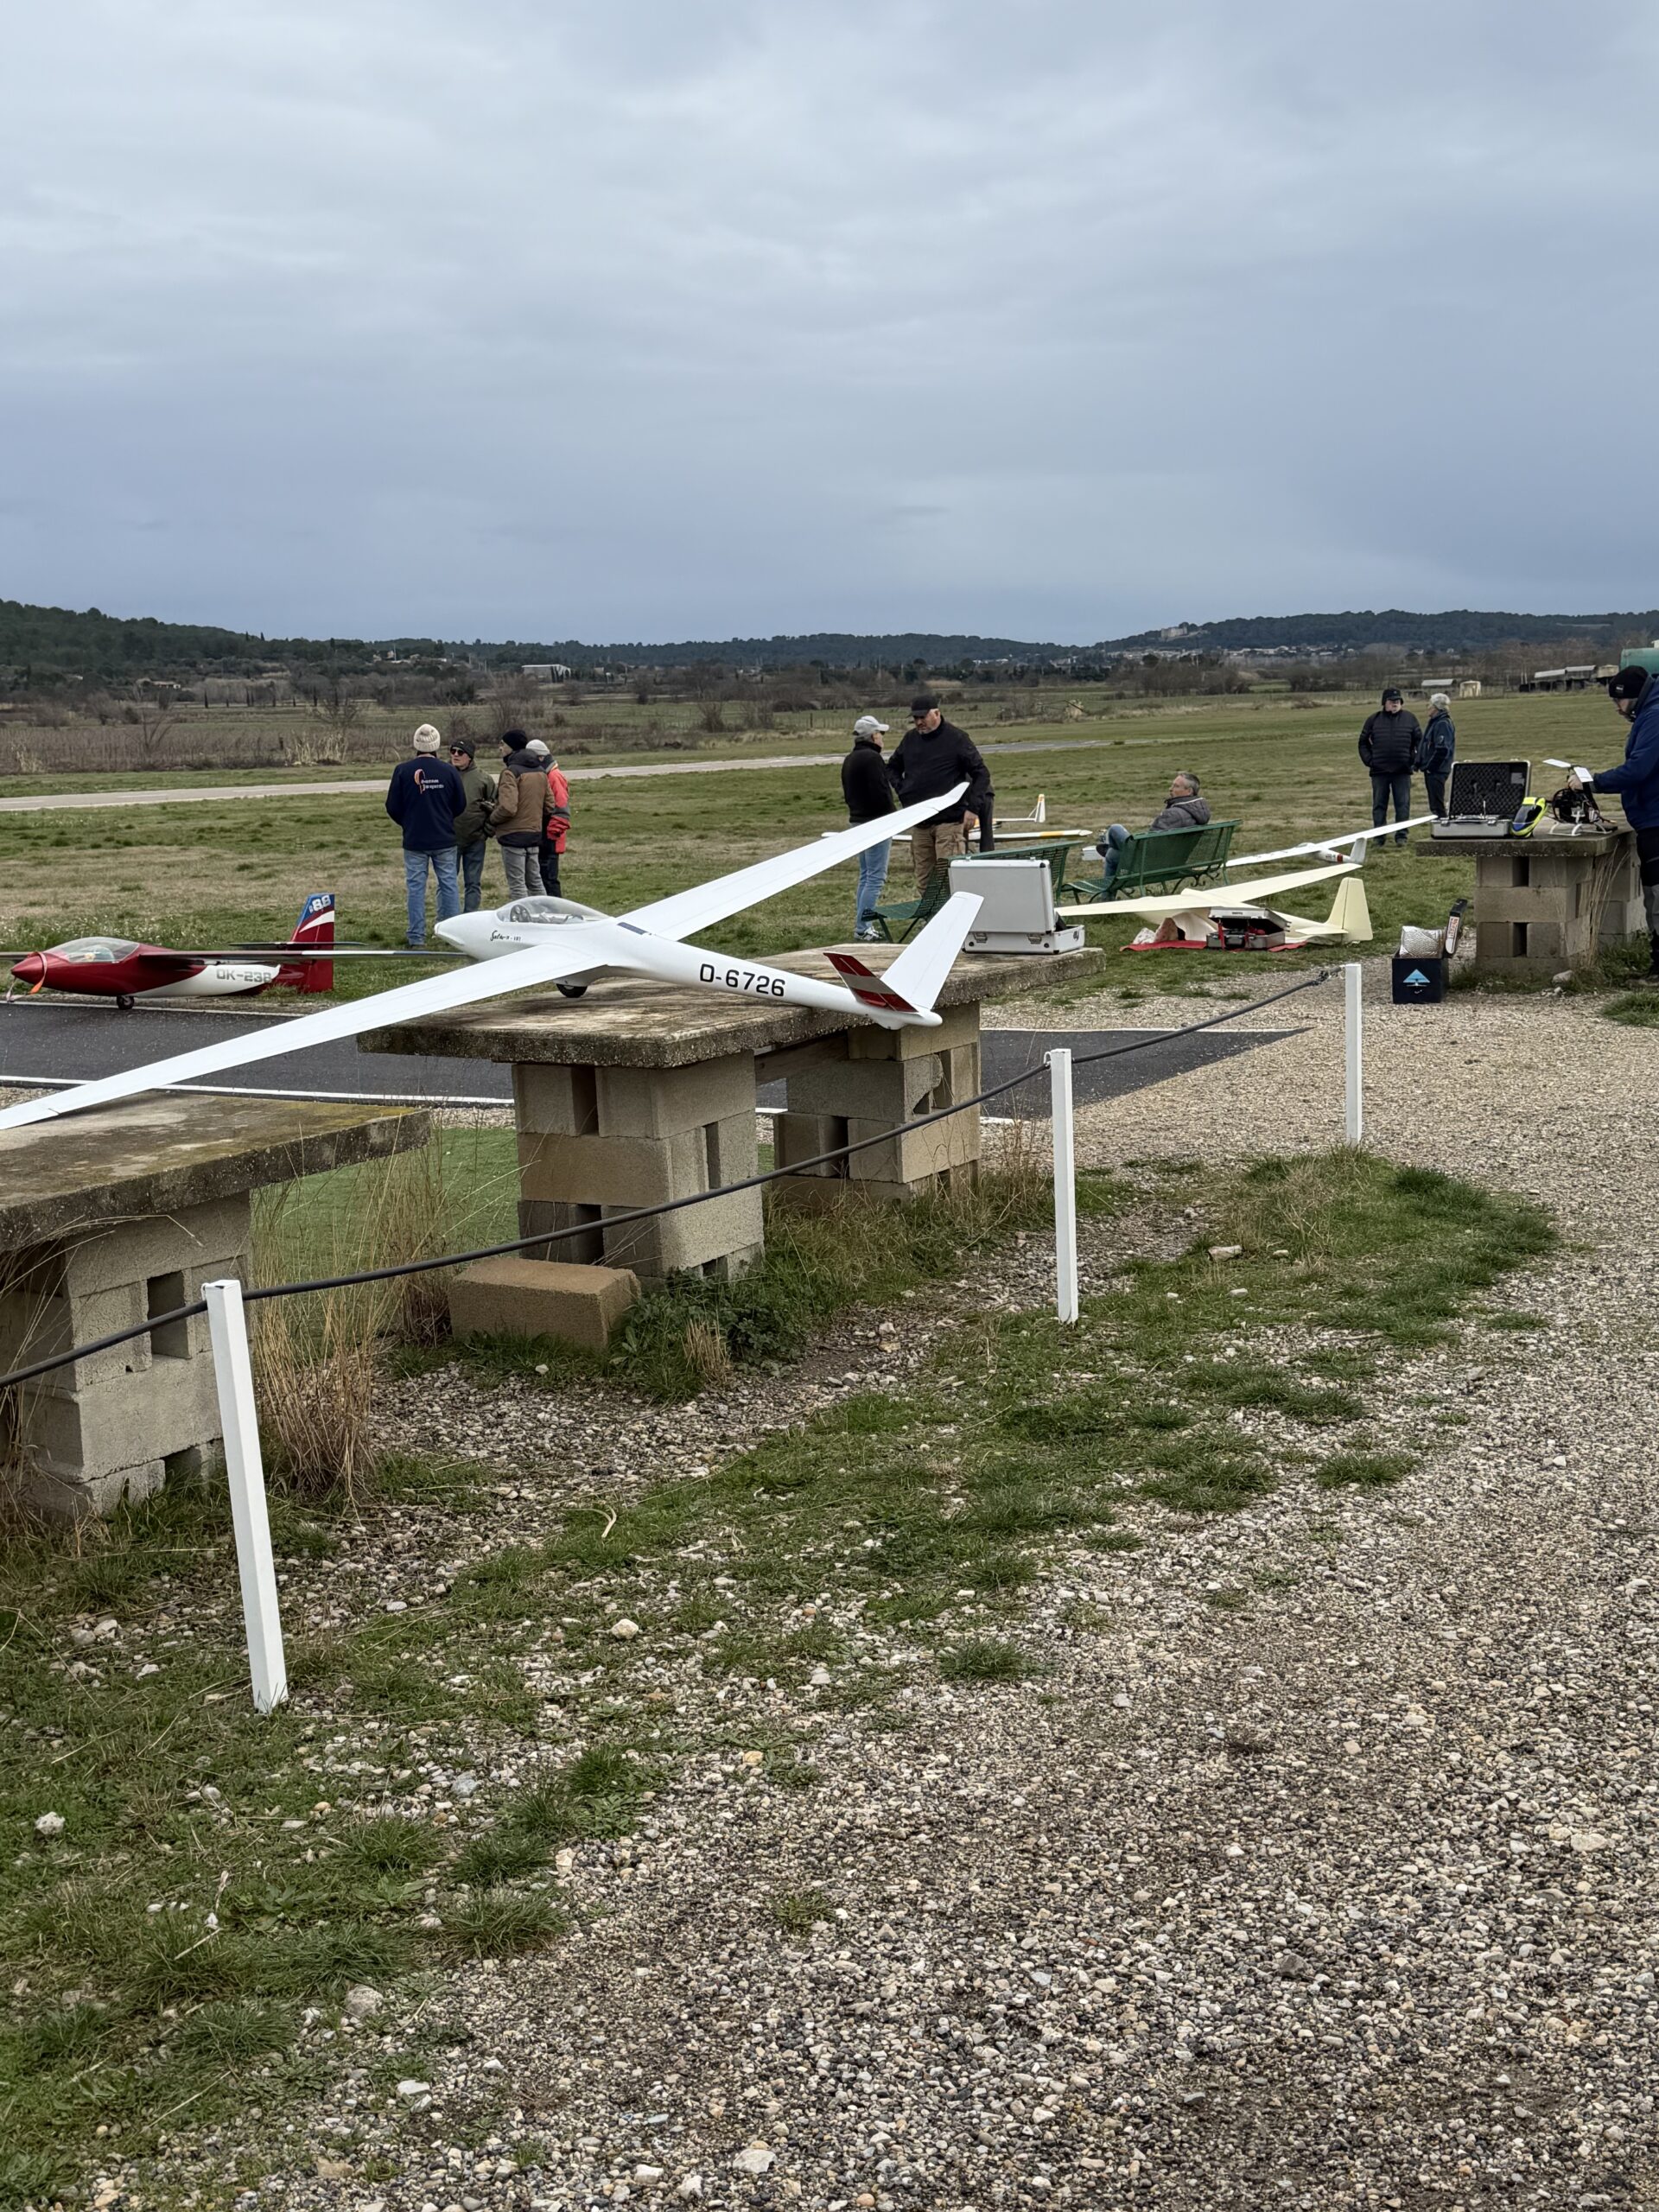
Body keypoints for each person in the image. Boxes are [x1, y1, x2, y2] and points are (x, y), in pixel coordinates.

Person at [1573, 665, 1659, 984]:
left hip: (1656, 820)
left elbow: (1638, 769)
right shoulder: (1650, 713)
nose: (1617, 708)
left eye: (1618, 701)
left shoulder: (1654, 717)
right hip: (1650, 819)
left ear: (1633, 697)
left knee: (1658, 896)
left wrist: (1593, 782)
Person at [886, 694, 990, 890]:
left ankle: (954, 910)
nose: (919, 722)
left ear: (936, 713)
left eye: (923, 717)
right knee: (924, 882)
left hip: (949, 822)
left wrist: (973, 809)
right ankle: (932, 910)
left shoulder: (957, 738)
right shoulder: (910, 739)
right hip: (919, 822)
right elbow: (892, 768)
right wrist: (903, 790)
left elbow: (981, 774)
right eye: (915, 718)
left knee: (949, 878)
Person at [385, 723, 465, 945]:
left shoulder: (402, 771)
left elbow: (392, 806)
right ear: (437, 744)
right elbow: (460, 804)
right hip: (444, 838)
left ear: (416, 744)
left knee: (415, 888)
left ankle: (416, 936)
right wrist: (445, 819)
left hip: (415, 840)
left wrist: (408, 823)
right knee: (449, 885)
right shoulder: (449, 771)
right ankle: (454, 935)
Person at [1096, 771, 1210, 887]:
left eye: (1176, 786)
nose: (1170, 789)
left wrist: (1137, 844)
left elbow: (1152, 846)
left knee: (1115, 828)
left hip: (1152, 864)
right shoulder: (1198, 813)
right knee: (1112, 855)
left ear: (1189, 791)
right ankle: (1111, 853)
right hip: (1176, 863)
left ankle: (1110, 849)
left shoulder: (1174, 814)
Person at [841, 713, 895, 938]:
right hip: (876, 823)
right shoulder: (873, 759)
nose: (882, 738)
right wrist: (892, 817)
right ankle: (863, 928)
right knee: (875, 877)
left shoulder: (850, 759)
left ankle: (862, 925)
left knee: (865, 875)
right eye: (880, 734)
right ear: (873, 736)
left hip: (857, 821)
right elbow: (881, 792)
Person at [489, 729, 551, 900]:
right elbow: (550, 805)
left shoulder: (510, 772)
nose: (500, 748)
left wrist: (492, 817)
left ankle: (523, 917)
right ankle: (543, 913)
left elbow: (508, 808)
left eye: (503, 744)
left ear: (511, 747)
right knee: (536, 882)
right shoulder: (541, 771)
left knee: (517, 885)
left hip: (513, 836)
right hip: (534, 834)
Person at [1358, 686, 1422, 847]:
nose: (1395, 703)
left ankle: (1401, 836)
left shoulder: (1410, 719)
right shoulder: (1373, 720)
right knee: (1379, 805)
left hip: (1402, 771)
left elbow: (1420, 742)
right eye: (1392, 701)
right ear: (1384, 702)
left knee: (1403, 805)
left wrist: (1413, 760)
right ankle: (1379, 837)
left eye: (1398, 701)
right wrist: (1370, 761)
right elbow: (1363, 742)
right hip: (1379, 771)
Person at [448, 735, 498, 912]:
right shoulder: (445, 775)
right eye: (453, 751)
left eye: (460, 752)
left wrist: (486, 832)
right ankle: (448, 919)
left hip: (475, 840)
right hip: (449, 841)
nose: (455, 755)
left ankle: (470, 917)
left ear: (469, 756)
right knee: (447, 883)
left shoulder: (484, 779)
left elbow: (495, 808)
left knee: (473, 883)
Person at [525, 736, 572, 897]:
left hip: (550, 838)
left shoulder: (553, 776)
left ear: (540, 757)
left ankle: (555, 908)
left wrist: (550, 836)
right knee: (542, 878)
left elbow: (562, 809)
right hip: (544, 835)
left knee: (549, 879)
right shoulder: (545, 774)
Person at [1419, 691, 1457, 819]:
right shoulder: (1435, 722)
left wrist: (1431, 767)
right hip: (1434, 770)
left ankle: (1443, 825)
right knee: (1434, 804)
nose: (1428, 707)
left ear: (1436, 708)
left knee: (1437, 805)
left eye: (1430, 705)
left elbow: (1442, 750)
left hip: (1437, 770)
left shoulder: (1442, 724)